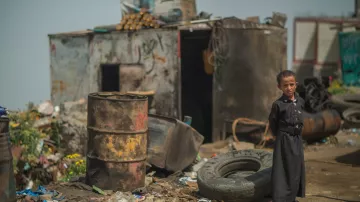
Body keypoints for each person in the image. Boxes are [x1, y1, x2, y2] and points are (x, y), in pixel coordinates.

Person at [268, 70, 306, 202]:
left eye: (291, 84)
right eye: (285, 85)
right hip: (284, 140)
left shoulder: (300, 101)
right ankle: (281, 198)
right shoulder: (278, 104)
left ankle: (292, 196)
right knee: (283, 168)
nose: (289, 88)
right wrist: (279, 137)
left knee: (295, 168)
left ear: (296, 84)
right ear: (279, 87)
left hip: (297, 139)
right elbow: (273, 122)